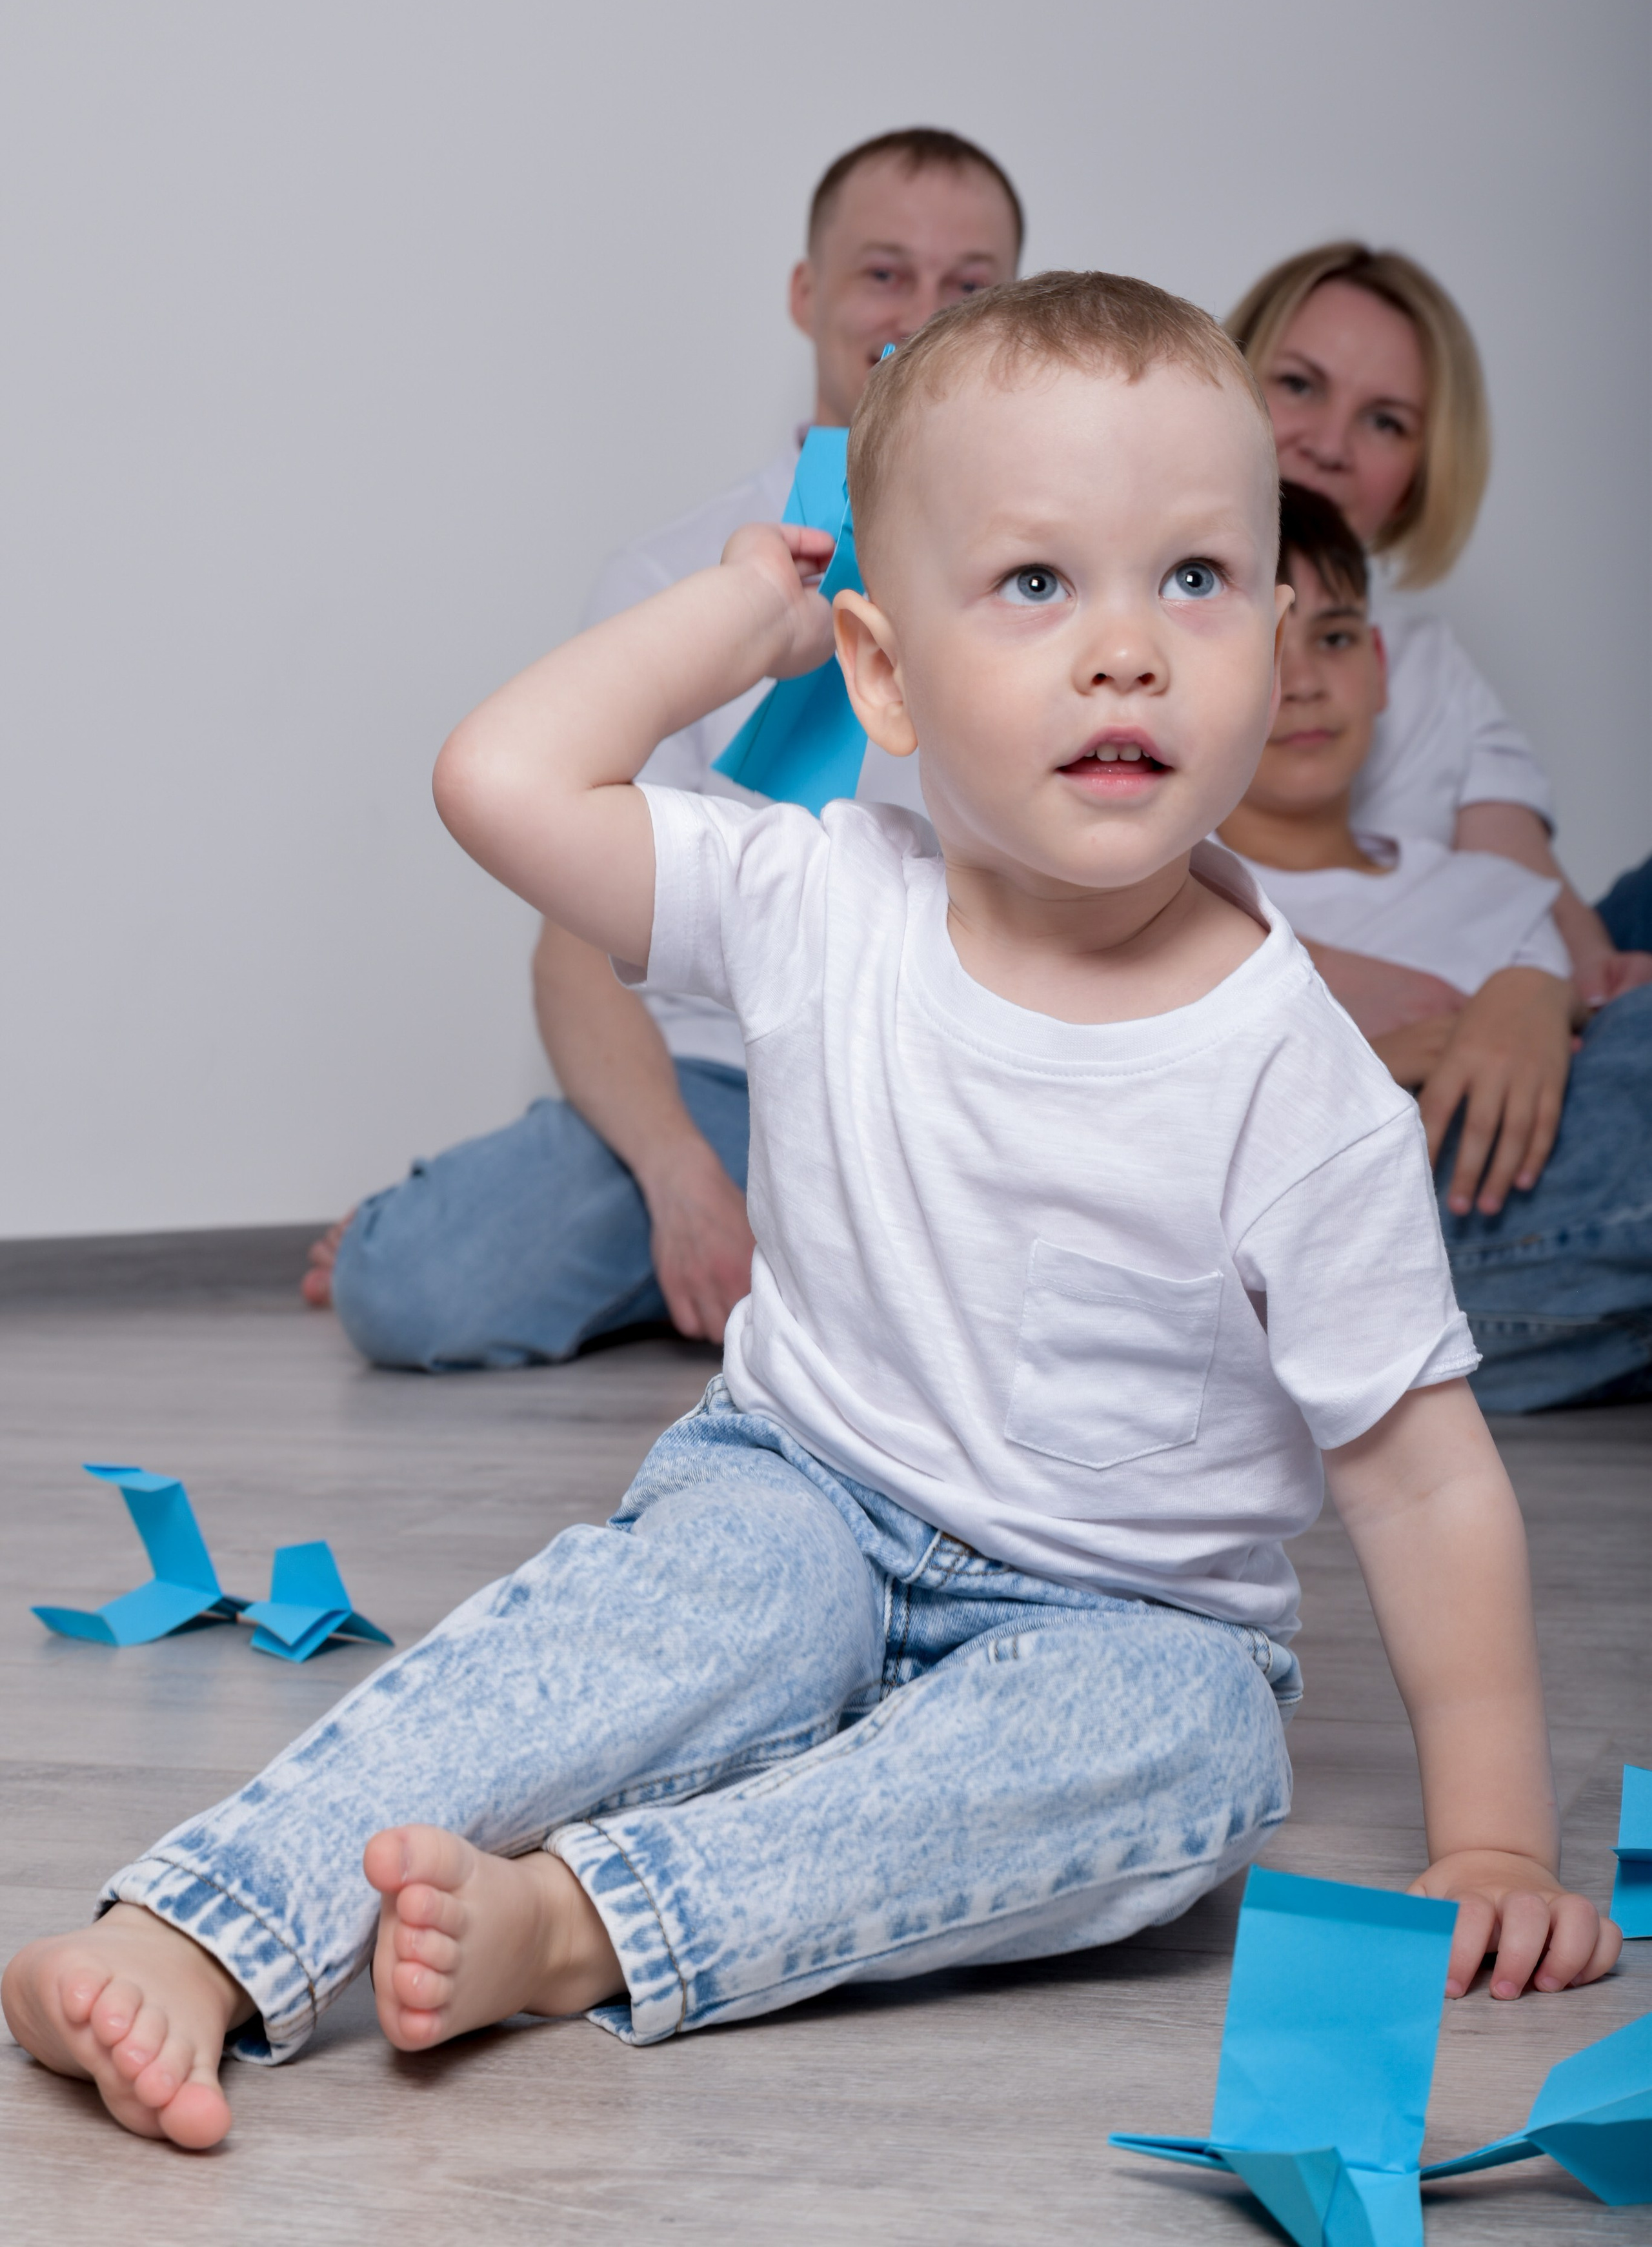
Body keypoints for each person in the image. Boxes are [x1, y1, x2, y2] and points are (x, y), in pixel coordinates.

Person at [5, 273, 1616, 2151]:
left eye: (1190, 579)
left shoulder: (1295, 1075)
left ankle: (586, 1922)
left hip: (1122, 1610)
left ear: (1273, 642)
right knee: (672, 1614)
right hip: (804, 1493)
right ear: (881, 673)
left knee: (1194, 1742)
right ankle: (192, 1931)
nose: (1123, 651)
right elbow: (500, 781)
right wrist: (739, 620)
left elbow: (1418, 1481)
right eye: (1035, 582)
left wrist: (1491, 1838)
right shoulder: (818, 896)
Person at [302, 127, 1025, 1365]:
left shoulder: (1056, 574)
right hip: (723, 1083)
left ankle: (792, 1286)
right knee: (419, 1282)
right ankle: (741, 1259)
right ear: (806, 293)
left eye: (969, 284)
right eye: (883, 273)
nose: (921, 312)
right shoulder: (672, 576)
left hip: (959, 1083)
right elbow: (577, 940)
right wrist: (681, 1178)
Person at [1220, 484, 1652, 1412]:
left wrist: (1535, 993)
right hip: (1382, 1232)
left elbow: (1580, 1039)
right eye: (1265, 648)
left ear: (1380, 668)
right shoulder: (1189, 891)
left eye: (1336, 639)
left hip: (1552, 1194)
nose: (1305, 681)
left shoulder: (1491, 890)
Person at [1226, 241, 1652, 1026]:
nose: (1329, 446)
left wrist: (1576, 989)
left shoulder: (1430, 664)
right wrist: (1332, 986)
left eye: (1384, 421)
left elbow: (1522, 883)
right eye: (1299, 385)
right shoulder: (1137, 624)